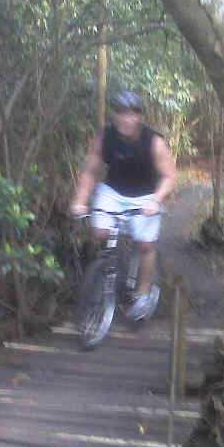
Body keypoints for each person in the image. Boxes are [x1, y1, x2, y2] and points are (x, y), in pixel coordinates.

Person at [71, 90, 177, 321]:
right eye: (121, 114)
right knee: (99, 232)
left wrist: (156, 200)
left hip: (145, 195)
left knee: (145, 245)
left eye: (132, 114)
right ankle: (108, 267)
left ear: (139, 117)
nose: (126, 119)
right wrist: (79, 201)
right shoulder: (105, 138)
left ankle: (143, 293)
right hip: (113, 191)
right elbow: (90, 170)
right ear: (114, 116)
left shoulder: (153, 142)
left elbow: (170, 176)